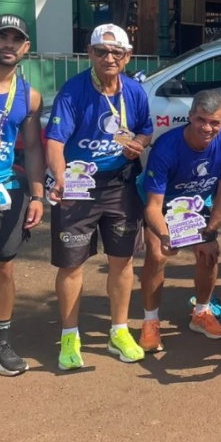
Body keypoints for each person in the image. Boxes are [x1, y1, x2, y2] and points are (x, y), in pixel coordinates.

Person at [46, 23, 153, 371]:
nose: (109, 57)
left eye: (116, 52)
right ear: (90, 54)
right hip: (78, 187)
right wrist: (60, 179)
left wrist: (138, 144)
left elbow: (145, 129)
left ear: (127, 57)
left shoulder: (135, 91)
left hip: (121, 184)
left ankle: (119, 331)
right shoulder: (73, 91)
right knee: (71, 262)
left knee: (122, 261)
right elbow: (55, 142)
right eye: (101, 51)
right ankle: (69, 335)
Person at [139, 90, 221, 351]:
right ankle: (150, 321)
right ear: (190, 116)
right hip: (163, 204)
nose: (207, 128)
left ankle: (202, 313)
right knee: (157, 254)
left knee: (210, 252)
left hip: (197, 204)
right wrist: (164, 235)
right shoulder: (166, 146)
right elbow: (153, 205)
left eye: (215, 122)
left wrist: (211, 230)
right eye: (201, 120)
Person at [0, 14, 44, 375]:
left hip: (5, 192)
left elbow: (34, 149)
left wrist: (38, 195)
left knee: (3, 268)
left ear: (25, 48)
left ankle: (0, 345)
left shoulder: (29, 95)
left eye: (16, 39)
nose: (8, 44)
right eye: (1, 36)